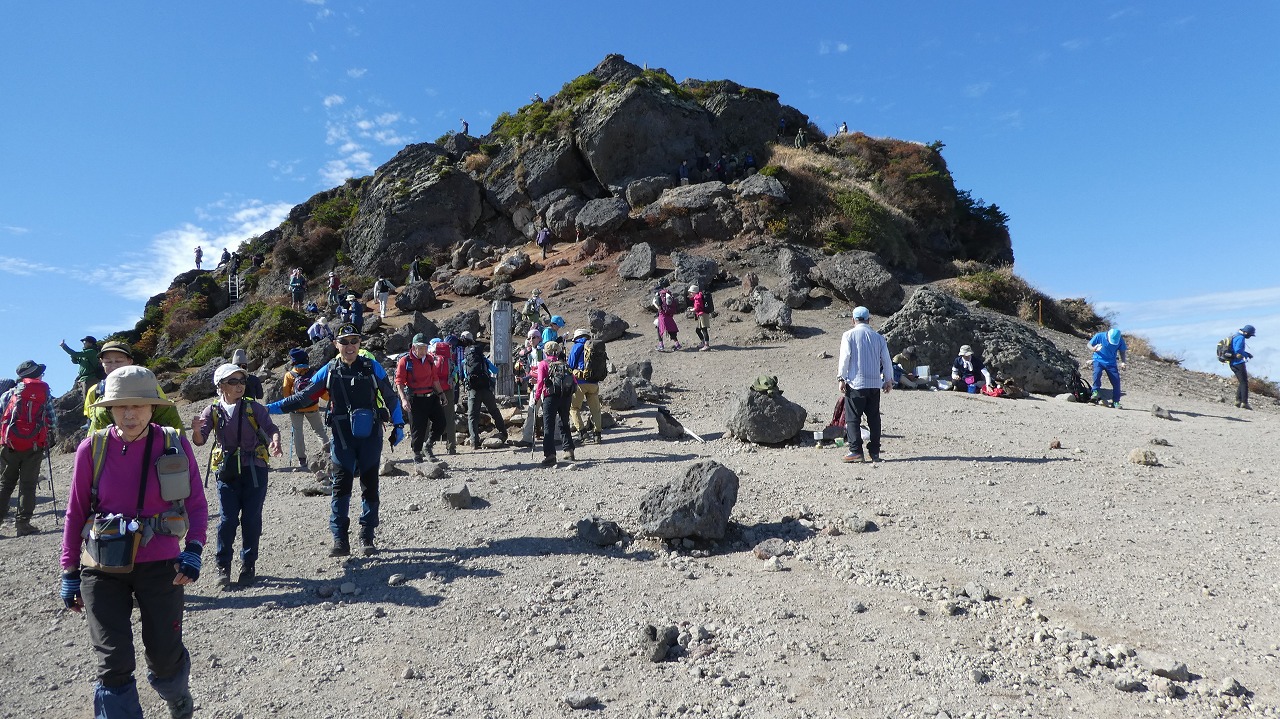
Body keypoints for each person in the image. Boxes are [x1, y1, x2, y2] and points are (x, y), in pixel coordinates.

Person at [58, 366, 208, 719]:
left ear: (153, 407)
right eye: (120, 406)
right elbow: (75, 512)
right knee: (113, 663)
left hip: (161, 564)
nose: (129, 414)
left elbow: (196, 504)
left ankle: (176, 695)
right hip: (102, 565)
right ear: (109, 408)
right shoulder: (91, 449)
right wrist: (69, 570)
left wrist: (194, 549)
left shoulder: (173, 443)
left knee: (164, 656)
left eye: (138, 405)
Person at [268, 324, 404, 557]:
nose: (350, 346)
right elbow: (304, 397)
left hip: (370, 434)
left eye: (354, 341)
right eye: (345, 341)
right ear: (335, 344)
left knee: (370, 484)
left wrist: (399, 424)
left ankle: (367, 535)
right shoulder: (329, 370)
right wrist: (267, 409)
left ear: (360, 343)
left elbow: (390, 397)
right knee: (341, 486)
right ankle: (340, 539)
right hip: (342, 437)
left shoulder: (371, 366)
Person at [192, 363, 282, 587]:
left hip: (255, 469)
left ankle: (248, 565)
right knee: (227, 519)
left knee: (251, 518)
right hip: (227, 471)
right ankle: (223, 566)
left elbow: (271, 428)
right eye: (233, 381)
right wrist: (195, 430)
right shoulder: (212, 411)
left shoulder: (253, 407)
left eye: (242, 381)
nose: (239, 385)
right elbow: (200, 440)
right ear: (220, 385)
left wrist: (276, 441)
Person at [0, 360, 55, 536]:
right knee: (28, 485)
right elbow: (52, 420)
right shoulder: (44, 393)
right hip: (34, 445)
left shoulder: (8, 394)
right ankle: (23, 524)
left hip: (9, 445)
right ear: (36, 375)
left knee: (5, 483)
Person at [84, 341, 185, 434]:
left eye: (119, 361)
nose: (113, 366)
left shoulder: (148, 385)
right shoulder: (95, 391)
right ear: (101, 362)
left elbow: (163, 412)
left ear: (129, 361)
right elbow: (93, 422)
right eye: (108, 362)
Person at [835, 306, 893, 463]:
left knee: (853, 418)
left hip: (856, 383)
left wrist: (841, 378)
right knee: (874, 418)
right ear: (869, 320)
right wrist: (888, 380)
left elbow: (845, 358)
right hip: (874, 384)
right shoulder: (878, 338)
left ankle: (856, 451)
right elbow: (886, 360)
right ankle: (875, 452)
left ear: (853, 320)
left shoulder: (848, 335)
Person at [396, 334, 446, 463]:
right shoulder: (405, 361)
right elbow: (399, 382)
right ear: (414, 347)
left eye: (425, 347)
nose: (424, 350)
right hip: (415, 399)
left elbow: (434, 378)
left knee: (441, 423)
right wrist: (403, 399)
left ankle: (428, 445)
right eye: (421, 348)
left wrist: (441, 393)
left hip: (430, 396)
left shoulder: (429, 359)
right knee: (418, 428)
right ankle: (417, 454)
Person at [281, 347, 330, 469]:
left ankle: (302, 459)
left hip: (295, 408)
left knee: (298, 432)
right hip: (312, 406)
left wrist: (289, 406)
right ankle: (329, 453)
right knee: (319, 431)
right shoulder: (314, 373)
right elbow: (322, 392)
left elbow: (286, 394)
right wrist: (330, 399)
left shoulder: (289, 375)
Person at [460, 332, 506, 449]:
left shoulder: (465, 360)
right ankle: (504, 433)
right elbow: (495, 371)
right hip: (486, 389)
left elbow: (463, 375)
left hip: (473, 391)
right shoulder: (482, 358)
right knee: (494, 411)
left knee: (472, 416)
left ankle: (474, 442)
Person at [533, 341, 575, 465]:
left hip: (550, 397)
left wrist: (536, 397)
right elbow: (574, 381)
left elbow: (540, 382)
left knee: (549, 426)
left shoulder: (543, 364)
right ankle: (569, 450)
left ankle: (550, 455)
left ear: (546, 352)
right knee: (564, 422)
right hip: (565, 397)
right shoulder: (564, 364)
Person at [567, 328, 604, 444]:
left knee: (573, 408)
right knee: (596, 410)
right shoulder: (595, 346)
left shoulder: (577, 346)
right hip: (594, 382)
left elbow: (570, 365)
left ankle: (582, 433)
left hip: (580, 382)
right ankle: (597, 435)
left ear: (577, 337)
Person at [1088, 328, 1129, 409]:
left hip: (1111, 363)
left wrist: (1123, 362)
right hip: (1098, 360)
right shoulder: (1099, 336)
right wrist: (1093, 349)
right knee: (1097, 374)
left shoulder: (1120, 340)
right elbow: (1089, 344)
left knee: (1116, 381)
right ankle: (1095, 392)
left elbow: (1122, 352)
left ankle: (1116, 401)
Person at [432, 338, 459, 455]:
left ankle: (427, 445)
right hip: (448, 389)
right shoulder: (450, 360)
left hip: (434, 390)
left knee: (429, 418)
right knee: (450, 418)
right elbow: (455, 375)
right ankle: (451, 447)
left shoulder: (432, 359)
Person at [1228, 324, 1256, 409]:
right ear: (1246, 332)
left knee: (1242, 382)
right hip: (1238, 362)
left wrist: (1246, 354)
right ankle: (1244, 402)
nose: (1250, 337)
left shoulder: (1235, 336)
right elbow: (1238, 350)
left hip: (1232, 362)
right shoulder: (1241, 337)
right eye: (1250, 335)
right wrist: (1246, 355)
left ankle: (1238, 401)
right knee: (1244, 383)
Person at [653, 287, 680, 351]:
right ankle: (677, 344)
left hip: (662, 316)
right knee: (671, 330)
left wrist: (657, 308)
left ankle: (661, 345)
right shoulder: (666, 294)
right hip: (669, 315)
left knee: (659, 330)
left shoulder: (659, 296)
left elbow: (659, 308)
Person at [688, 284, 712, 351]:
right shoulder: (698, 296)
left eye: (691, 292)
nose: (690, 293)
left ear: (694, 292)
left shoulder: (697, 298)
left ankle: (706, 345)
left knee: (704, 330)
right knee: (698, 330)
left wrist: (691, 310)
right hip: (702, 315)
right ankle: (703, 342)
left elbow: (697, 307)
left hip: (702, 315)